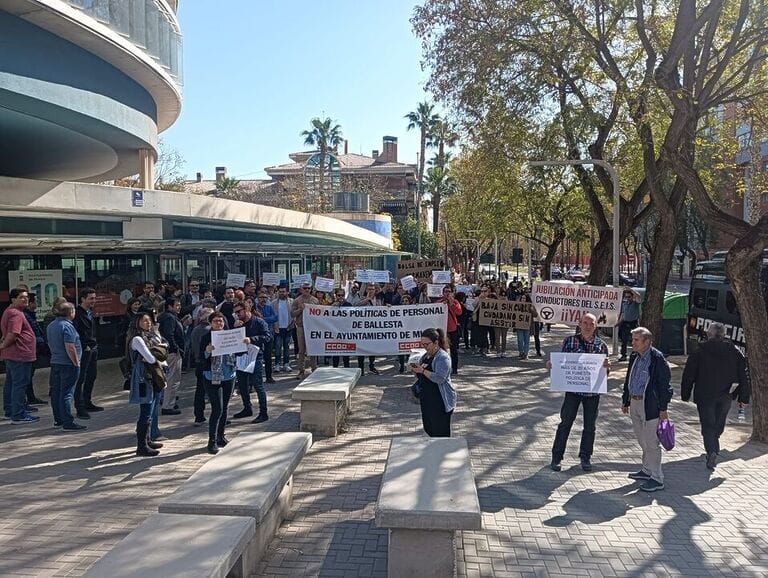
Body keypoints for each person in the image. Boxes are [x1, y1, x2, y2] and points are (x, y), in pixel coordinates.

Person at [681, 322, 750, 470]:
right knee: (718, 422)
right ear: (723, 335)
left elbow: (689, 374)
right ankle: (713, 445)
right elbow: (744, 375)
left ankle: (712, 450)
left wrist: (685, 393)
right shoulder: (734, 351)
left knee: (708, 424)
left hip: (705, 394)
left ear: (708, 334)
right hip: (726, 393)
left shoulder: (699, 350)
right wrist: (744, 398)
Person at [548, 314, 610, 472]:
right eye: (585, 323)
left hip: (592, 393)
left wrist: (607, 367)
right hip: (573, 391)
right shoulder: (569, 341)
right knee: (565, 423)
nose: (588, 326)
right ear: (579, 324)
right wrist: (552, 365)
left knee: (590, 426)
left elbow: (604, 374)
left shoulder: (601, 346)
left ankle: (585, 457)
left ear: (596, 326)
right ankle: (556, 457)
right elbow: (562, 364)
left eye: (591, 323)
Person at [621, 326, 673, 492]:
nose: (633, 343)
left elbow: (665, 386)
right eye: (633, 339)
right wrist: (626, 399)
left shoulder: (657, 359)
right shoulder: (635, 356)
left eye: (636, 340)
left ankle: (657, 478)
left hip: (650, 405)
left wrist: (663, 409)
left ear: (647, 342)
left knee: (651, 443)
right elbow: (629, 376)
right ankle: (646, 469)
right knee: (642, 440)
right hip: (635, 402)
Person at [200, 311, 244, 454]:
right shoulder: (206, 337)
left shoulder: (229, 335)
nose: (219, 323)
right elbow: (200, 357)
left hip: (228, 375)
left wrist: (245, 343)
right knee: (217, 408)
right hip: (212, 376)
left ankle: (221, 436)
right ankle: (211, 440)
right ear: (210, 323)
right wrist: (207, 351)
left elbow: (239, 352)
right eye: (216, 321)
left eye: (221, 321)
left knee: (224, 407)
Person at [127, 313, 168, 457]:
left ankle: (148, 439)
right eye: (144, 321)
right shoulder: (137, 339)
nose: (148, 323)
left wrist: (157, 351)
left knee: (151, 410)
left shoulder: (149, 337)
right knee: (146, 411)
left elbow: (164, 349)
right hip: (143, 378)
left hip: (153, 377)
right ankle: (141, 446)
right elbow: (151, 359)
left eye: (149, 321)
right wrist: (158, 351)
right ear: (137, 322)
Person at [1, 289, 39, 424]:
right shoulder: (16, 314)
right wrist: (3, 346)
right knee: (20, 385)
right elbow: (13, 334)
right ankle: (18, 415)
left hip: (14, 355)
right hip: (20, 355)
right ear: (13, 299)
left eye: (26, 297)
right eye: (22, 297)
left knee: (12, 383)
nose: (26, 299)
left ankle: (11, 411)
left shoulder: (10, 312)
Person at [46, 302, 86, 431]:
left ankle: (58, 420)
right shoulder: (67, 326)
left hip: (55, 362)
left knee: (56, 392)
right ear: (70, 313)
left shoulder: (51, 325)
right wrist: (76, 362)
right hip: (68, 364)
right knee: (67, 393)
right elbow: (70, 346)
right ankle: (68, 422)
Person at [410, 328, 456, 437]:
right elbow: (422, 375)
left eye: (427, 344)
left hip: (440, 400)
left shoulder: (443, 358)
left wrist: (423, 370)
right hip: (427, 400)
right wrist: (416, 370)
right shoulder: (425, 356)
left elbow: (440, 378)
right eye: (423, 344)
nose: (424, 347)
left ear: (436, 342)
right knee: (429, 428)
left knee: (440, 433)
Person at [232, 302, 272, 423]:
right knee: (243, 386)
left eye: (239, 312)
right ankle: (247, 408)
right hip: (241, 357)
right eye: (235, 313)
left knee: (258, 385)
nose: (237, 315)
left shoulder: (259, 322)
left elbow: (267, 337)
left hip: (255, 357)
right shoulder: (238, 323)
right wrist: (235, 329)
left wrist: (252, 339)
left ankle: (263, 412)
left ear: (246, 310)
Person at [73, 287, 101, 419]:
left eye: (95, 298)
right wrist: (84, 346)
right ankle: (80, 407)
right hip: (85, 350)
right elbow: (76, 333)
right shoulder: (77, 314)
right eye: (91, 298)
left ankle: (87, 401)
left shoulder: (90, 312)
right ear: (83, 299)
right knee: (80, 379)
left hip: (93, 349)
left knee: (91, 376)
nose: (93, 301)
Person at [158, 297, 186, 415]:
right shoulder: (169, 318)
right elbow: (169, 335)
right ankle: (168, 405)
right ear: (170, 306)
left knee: (169, 378)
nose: (179, 307)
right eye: (177, 305)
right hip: (172, 353)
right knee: (172, 379)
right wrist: (176, 349)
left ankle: (168, 401)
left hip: (169, 351)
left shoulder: (167, 316)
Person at [190, 307, 213, 427]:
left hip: (198, 362)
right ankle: (216, 415)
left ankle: (199, 416)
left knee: (200, 390)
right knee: (210, 390)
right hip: (206, 362)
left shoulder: (195, 330)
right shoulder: (207, 330)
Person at [291, 282, 319, 379]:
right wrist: (300, 309)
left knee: (313, 348)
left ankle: (314, 368)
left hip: (312, 327)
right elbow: (292, 314)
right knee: (302, 349)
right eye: (305, 288)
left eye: (308, 288)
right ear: (301, 289)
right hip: (301, 327)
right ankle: (301, 370)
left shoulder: (315, 300)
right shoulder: (297, 300)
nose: (307, 290)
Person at [439, 285, 463, 374]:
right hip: (442, 330)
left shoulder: (455, 302)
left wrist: (451, 303)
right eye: (446, 291)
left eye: (449, 291)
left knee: (454, 350)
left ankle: (454, 368)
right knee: (442, 350)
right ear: (443, 293)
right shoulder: (439, 302)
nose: (447, 293)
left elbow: (459, 312)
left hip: (452, 329)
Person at [256, 291, 278, 384]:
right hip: (258, 337)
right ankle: (258, 378)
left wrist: (263, 319)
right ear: (257, 299)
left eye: (265, 297)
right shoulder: (255, 308)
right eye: (261, 297)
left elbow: (275, 318)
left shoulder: (269, 308)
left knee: (268, 358)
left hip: (269, 336)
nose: (263, 299)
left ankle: (269, 377)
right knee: (258, 359)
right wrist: (265, 320)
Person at [271, 285, 294, 373]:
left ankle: (286, 364)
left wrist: (292, 323)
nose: (281, 293)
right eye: (280, 292)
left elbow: (294, 314)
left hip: (288, 327)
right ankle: (277, 364)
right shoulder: (273, 303)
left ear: (287, 292)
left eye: (283, 291)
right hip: (278, 328)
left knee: (286, 347)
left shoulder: (291, 302)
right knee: (277, 347)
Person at [617, 289, 641, 361]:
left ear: (633, 296)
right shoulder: (624, 304)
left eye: (629, 297)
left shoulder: (636, 303)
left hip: (633, 323)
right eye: (626, 297)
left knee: (635, 339)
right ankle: (623, 355)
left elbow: (638, 296)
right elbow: (623, 314)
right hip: (625, 323)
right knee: (623, 340)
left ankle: (636, 354)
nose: (628, 298)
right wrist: (618, 322)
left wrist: (631, 290)